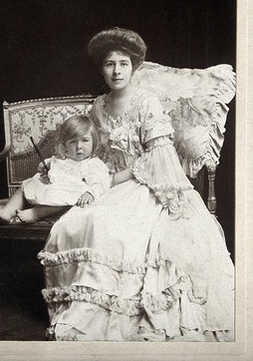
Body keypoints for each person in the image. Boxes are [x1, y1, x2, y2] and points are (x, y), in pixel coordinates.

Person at [37, 27, 234, 342]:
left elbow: (159, 155)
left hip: (147, 183)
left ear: (134, 67)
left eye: (123, 64)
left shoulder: (147, 102)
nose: (116, 71)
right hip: (108, 184)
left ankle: (118, 310)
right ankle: (82, 304)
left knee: (113, 228)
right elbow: (92, 157)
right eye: (109, 64)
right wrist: (59, 166)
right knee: (76, 220)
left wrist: (139, 185)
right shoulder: (98, 107)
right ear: (101, 69)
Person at [0, 116, 110, 223]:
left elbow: (101, 182)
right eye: (73, 142)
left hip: (65, 196)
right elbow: (51, 163)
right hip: (48, 189)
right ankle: (6, 212)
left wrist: (90, 193)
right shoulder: (63, 159)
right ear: (65, 146)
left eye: (85, 140)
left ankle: (36, 213)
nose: (79, 147)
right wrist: (44, 168)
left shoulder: (93, 164)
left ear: (94, 142)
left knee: (62, 197)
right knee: (26, 185)